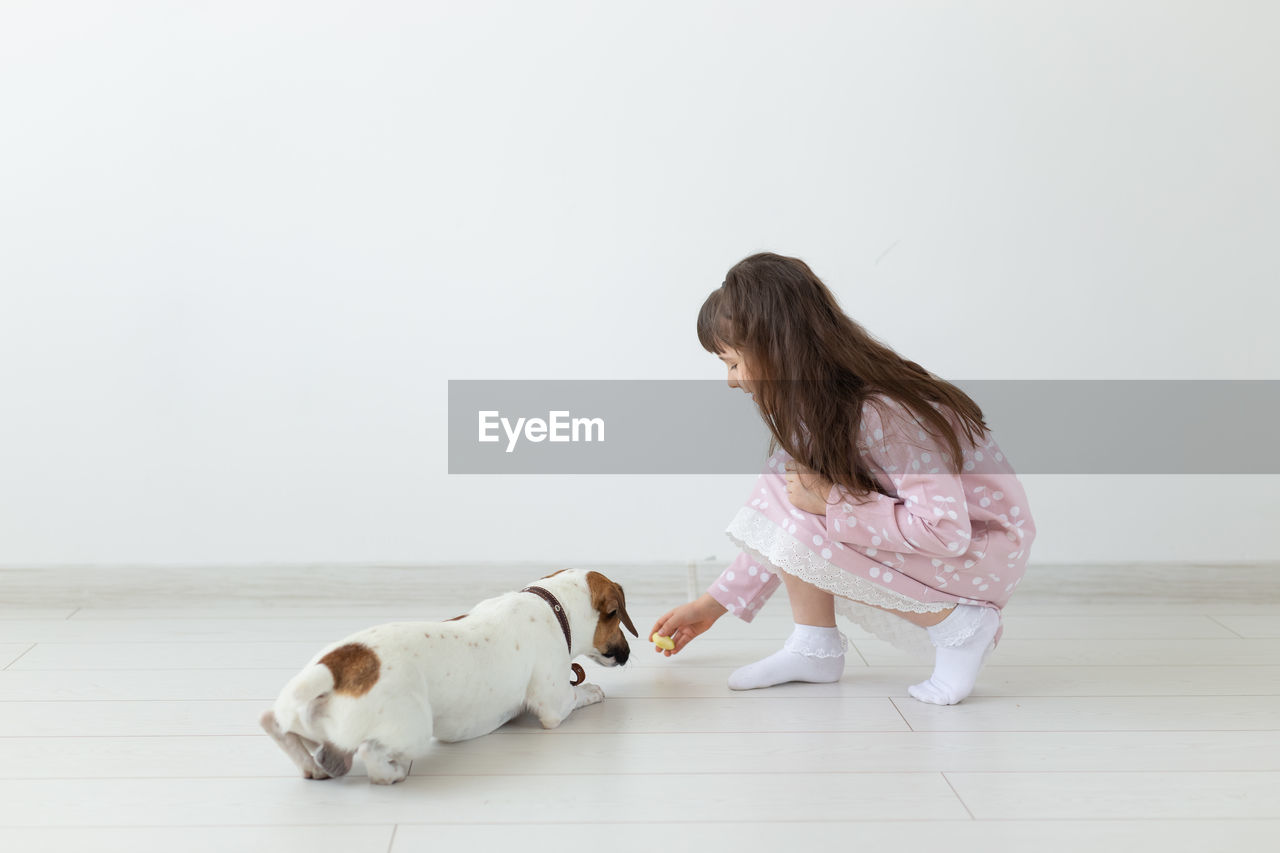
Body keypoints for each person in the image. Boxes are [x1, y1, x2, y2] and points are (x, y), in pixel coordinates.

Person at [650, 252, 1037, 705]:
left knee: (804, 497)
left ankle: (961, 626)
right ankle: (813, 646)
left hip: (980, 554)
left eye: (732, 362)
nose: (732, 382)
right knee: (787, 489)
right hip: (948, 550)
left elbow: (946, 531)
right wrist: (711, 607)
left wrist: (833, 502)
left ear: (776, 347)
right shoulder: (820, 412)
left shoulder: (884, 413)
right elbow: (778, 526)